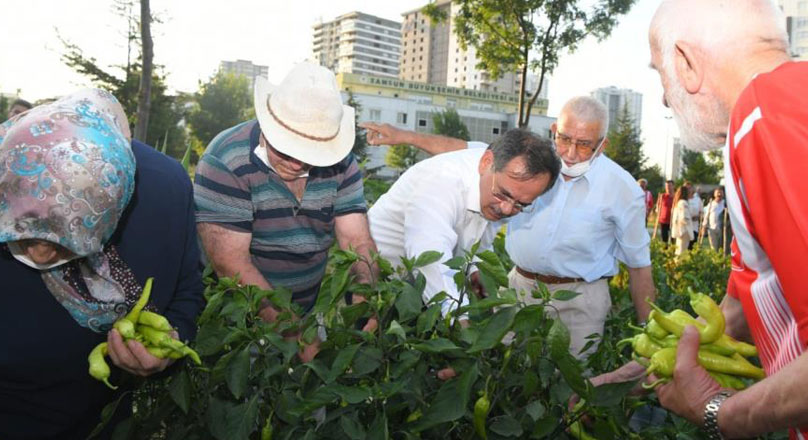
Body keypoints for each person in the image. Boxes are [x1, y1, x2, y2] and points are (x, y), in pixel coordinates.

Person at [648, 0, 808, 438]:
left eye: (658, 71)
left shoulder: (770, 116)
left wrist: (720, 413)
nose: (663, 95)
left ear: (686, 63)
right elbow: (742, 303)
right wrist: (651, 360)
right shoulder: (805, 102)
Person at [364, 96, 656, 358]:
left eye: (584, 145)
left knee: (570, 380)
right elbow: (433, 261)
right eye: (565, 139)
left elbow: (640, 265)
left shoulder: (616, 187)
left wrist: (649, 340)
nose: (570, 153)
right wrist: (404, 136)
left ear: (602, 144)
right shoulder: (504, 169)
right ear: (554, 131)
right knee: (503, 367)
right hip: (512, 286)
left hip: (579, 299)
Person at [0, 89, 204, 438]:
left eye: (64, 240)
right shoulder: (9, 168)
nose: (40, 256)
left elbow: (188, 289)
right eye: (27, 233)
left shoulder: (162, 190)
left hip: (102, 416)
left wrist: (169, 345)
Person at [194, 62, 378, 359]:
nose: (297, 163)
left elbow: (356, 241)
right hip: (239, 321)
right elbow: (231, 263)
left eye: (311, 154)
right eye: (288, 148)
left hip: (303, 312)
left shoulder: (341, 163)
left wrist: (364, 294)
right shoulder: (227, 160)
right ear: (268, 124)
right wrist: (296, 334)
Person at [367, 128, 559, 317]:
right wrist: (459, 322)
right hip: (375, 274)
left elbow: (479, 235)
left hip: (416, 284)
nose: (507, 209)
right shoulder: (442, 182)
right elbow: (430, 259)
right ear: (486, 163)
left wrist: (475, 269)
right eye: (503, 194)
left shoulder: (501, 187)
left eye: (521, 204)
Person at [669, 186, 692, 257]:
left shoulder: (678, 203)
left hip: (679, 230)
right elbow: (684, 217)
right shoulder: (683, 203)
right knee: (682, 252)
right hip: (684, 230)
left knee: (679, 251)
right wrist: (688, 223)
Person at [687, 184, 702, 249]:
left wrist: (697, 217)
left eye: (689, 188)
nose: (688, 190)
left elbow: (702, 212)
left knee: (692, 247)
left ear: (693, 189)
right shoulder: (682, 199)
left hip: (694, 227)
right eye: (686, 188)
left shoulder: (697, 200)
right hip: (684, 228)